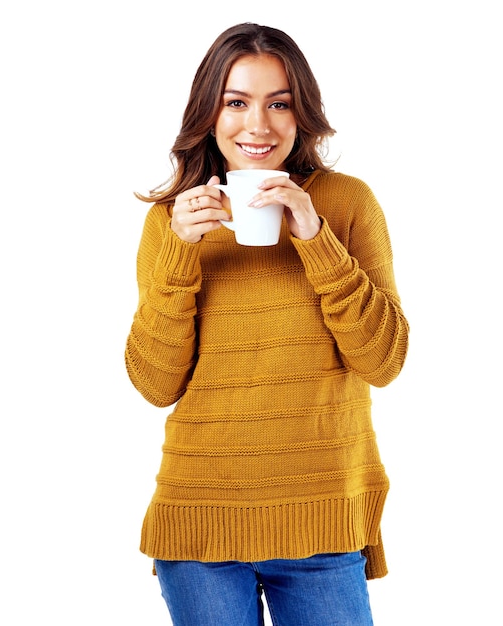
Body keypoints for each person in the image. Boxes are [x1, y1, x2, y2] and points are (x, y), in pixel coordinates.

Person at [125, 22, 409, 626]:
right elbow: (155, 383)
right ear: (209, 113)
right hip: (201, 525)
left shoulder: (348, 204)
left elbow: (384, 361)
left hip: (322, 518)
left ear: (301, 113)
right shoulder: (170, 223)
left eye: (279, 103)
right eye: (236, 102)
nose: (259, 125)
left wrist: (314, 237)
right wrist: (180, 251)